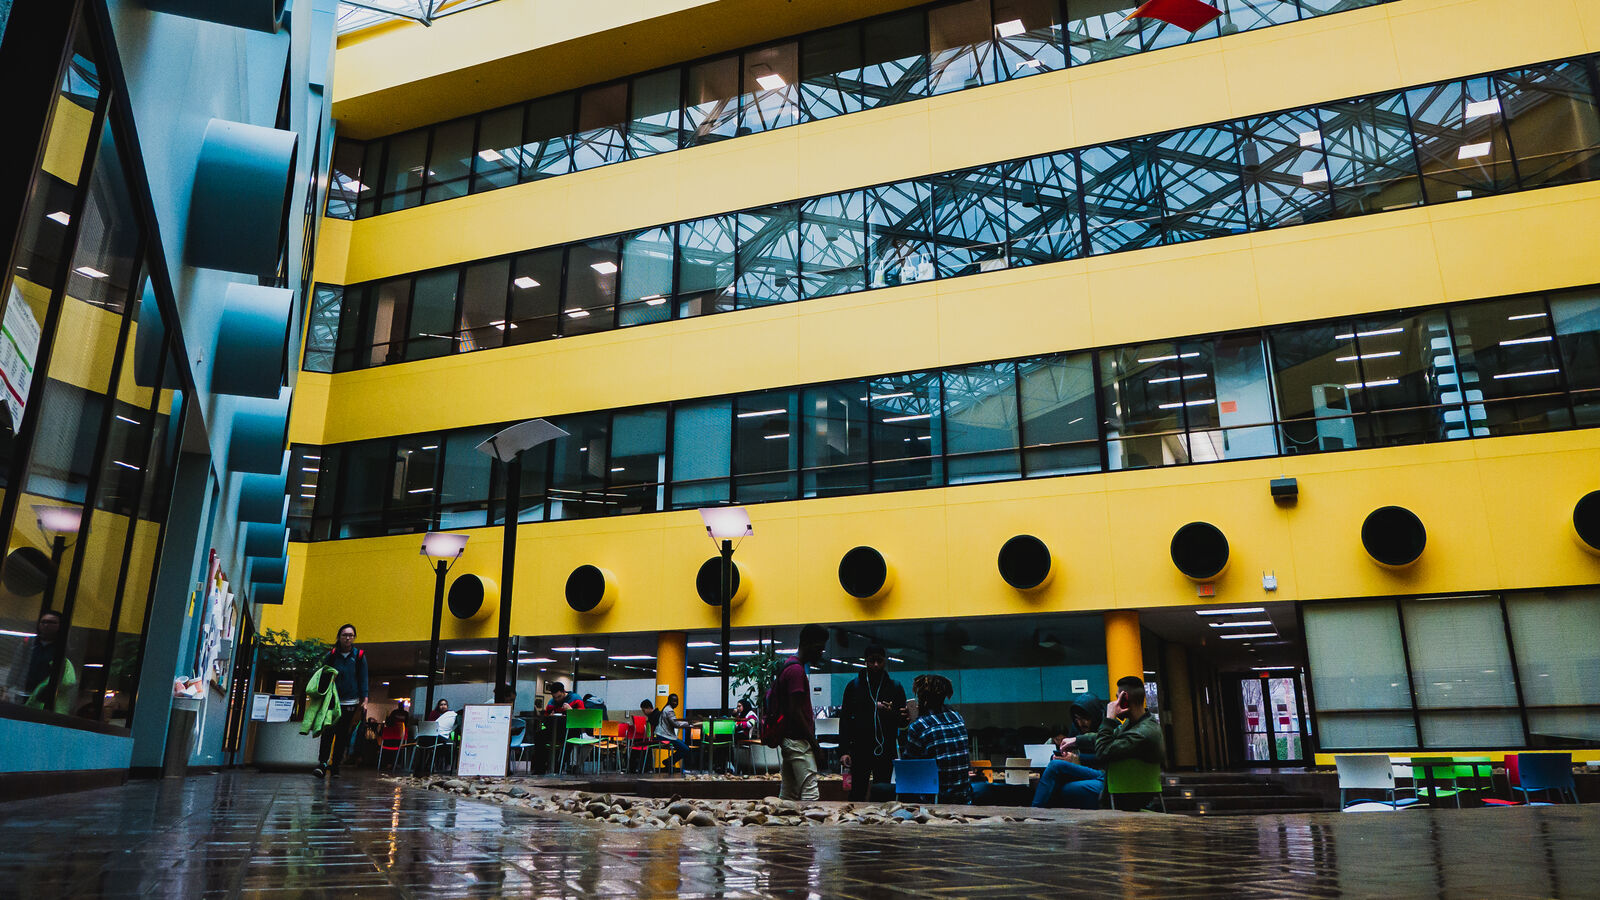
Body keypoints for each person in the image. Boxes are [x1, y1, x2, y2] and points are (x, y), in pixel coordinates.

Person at [839, 644, 907, 801]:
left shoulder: (894, 687)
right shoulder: (854, 687)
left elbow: (902, 722)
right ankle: (853, 824)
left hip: (885, 748)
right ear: (865, 662)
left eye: (879, 661)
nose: (876, 665)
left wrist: (891, 712)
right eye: (871, 661)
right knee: (857, 792)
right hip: (859, 748)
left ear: (885, 661)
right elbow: (845, 720)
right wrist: (844, 750)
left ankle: (880, 825)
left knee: (882, 793)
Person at [1094, 676, 1166, 811]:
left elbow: (1102, 751)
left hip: (1124, 788)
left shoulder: (1144, 732)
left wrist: (1109, 718)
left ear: (1124, 699)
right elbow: (1109, 737)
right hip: (1114, 781)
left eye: (1117, 698)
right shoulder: (1133, 724)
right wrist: (1076, 740)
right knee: (1059, 767)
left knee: (1065, 783)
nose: (1115, 703)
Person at [777, 624, 829, 802]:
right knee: (810, 793)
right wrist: (815, 745)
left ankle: (782, 828)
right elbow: (795, 711)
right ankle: (809, 830)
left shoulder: (788, 666)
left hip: (789, 740)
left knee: (789, 794)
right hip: (798, 741)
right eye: (818, 648)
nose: (820, 653)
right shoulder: (796, 671)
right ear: (806, 644)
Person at [902, 674, 971, 805]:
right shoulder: (957, 717)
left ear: (922, 698)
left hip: (935, 799)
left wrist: (913, 722)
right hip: (964, 796)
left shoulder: (919, 725)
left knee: (882, 789)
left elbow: (908, 769)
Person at [1032, 692, 1106, 809]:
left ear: (1095, 716)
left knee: (1056, 767)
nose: (1080, 723)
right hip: (1085, 770)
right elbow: (1067, 751)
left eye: (1085, 719)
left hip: (1103, 772)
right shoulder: (1076, 727)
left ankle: (1035, 813)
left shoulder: (1108, 727)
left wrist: (1078, 760)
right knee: (1055, 766)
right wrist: (1062, 757)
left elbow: (1107, 755)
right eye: (1077, 719)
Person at [312, 623, 368, 778]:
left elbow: (363, 678)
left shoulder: (359, 656)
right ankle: (323, 764)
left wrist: (365, 698)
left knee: (342, 735)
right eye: (345, 635)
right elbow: (323, 676)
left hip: (350, 702)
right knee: (328, 733)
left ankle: (335, 765)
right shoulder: (332, 655)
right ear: (339, 637)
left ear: (354, 637)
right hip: (331, 700)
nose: (348, 638)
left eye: (351, 635)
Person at [654, 692, 690, 771]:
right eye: (674, 701)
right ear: (669, 701)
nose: (676, 703)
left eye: (677, 701)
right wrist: (688, 724)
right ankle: (669, 761)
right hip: (665, 736)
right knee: (685, 749)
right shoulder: (669, 710)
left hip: (662, 735)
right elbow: (675, 724)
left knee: (683, 746)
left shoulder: (666, 708)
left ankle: (669, 762)